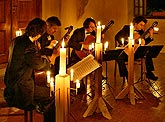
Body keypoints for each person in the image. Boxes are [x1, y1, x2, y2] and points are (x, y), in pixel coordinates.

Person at [4, 18, 55, 122]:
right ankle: (40, 108)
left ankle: (39, 107)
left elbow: (24, 59)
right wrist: (51, 59)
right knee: (51, 94)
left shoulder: (16, 40)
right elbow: (39, 65)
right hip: (20, 91)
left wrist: (37, 50)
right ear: (39, 34)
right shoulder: (29, 46)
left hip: (10, 85)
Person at [115, 15, 158, 81]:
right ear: (135, 24)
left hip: (136, 53)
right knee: (119, 56)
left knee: (147, 51)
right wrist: (126, 42)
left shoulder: (141, 32)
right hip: (126, 52)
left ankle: (149, 73)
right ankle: (126, 75)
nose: (142, 27)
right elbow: (117, 37)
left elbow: (144, 43)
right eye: (141, 25)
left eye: (143, 25)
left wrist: (151, 35)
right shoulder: (126, 28)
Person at [68, 17, 96, 94]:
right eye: (91, 27)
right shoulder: (78, 32)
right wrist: (83, 46)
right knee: (76, 66)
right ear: (86, 25)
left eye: (94, 27)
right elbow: (70, 43)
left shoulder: (93, 33)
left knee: (96, 62)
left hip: (88, 55)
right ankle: (77, 86)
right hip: (76, 55)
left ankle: (95, 84)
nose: (93, 29)